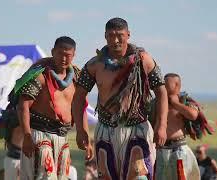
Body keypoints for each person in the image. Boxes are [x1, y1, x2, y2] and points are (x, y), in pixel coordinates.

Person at [72, 17, 168, 179]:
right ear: (105, 36)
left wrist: (162, 125)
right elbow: (78, 98)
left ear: (128, 35)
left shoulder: (143, 60)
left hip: (137, 129)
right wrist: (81, 131)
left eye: (120, 35)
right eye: (111, 35)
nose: (116, 40)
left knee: (139, 175)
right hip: (106, 130)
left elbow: (161, 91)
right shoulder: (95, 64)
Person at [15, 36, 88, 179]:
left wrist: (82, 132)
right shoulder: (40, 76)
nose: (64, 59)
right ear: (53, 52)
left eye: (68, 55)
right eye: (60, 54)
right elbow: (23, 106)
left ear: (74, 55)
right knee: (46, 177)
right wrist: (27, 136)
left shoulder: (76, 78)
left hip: (62, 137)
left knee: (62, 177)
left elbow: (80, 106)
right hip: (39, 134)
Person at [155, 73, 200, 180]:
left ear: (176, 85)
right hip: (160, 150)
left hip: (179, 149)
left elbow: (193, 115)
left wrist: (175, 104)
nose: (163, 86)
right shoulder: (156, 102)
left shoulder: (184, 101)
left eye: (167, 84)